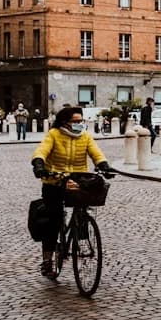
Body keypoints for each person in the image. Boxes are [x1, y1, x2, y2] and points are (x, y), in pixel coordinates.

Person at [31, 105, 111, 277]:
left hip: (77, 180)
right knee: (53, 220)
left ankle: (80, 232)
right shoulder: (54, 135)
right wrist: (39, 164)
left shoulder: (85, 136)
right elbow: (41, 150)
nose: (79, 124)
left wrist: (103, 165)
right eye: (75, 121)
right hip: (54, 181)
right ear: (64, 122)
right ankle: (47, 260)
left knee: (83, 209)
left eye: (80, 121)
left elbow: (96, 153)